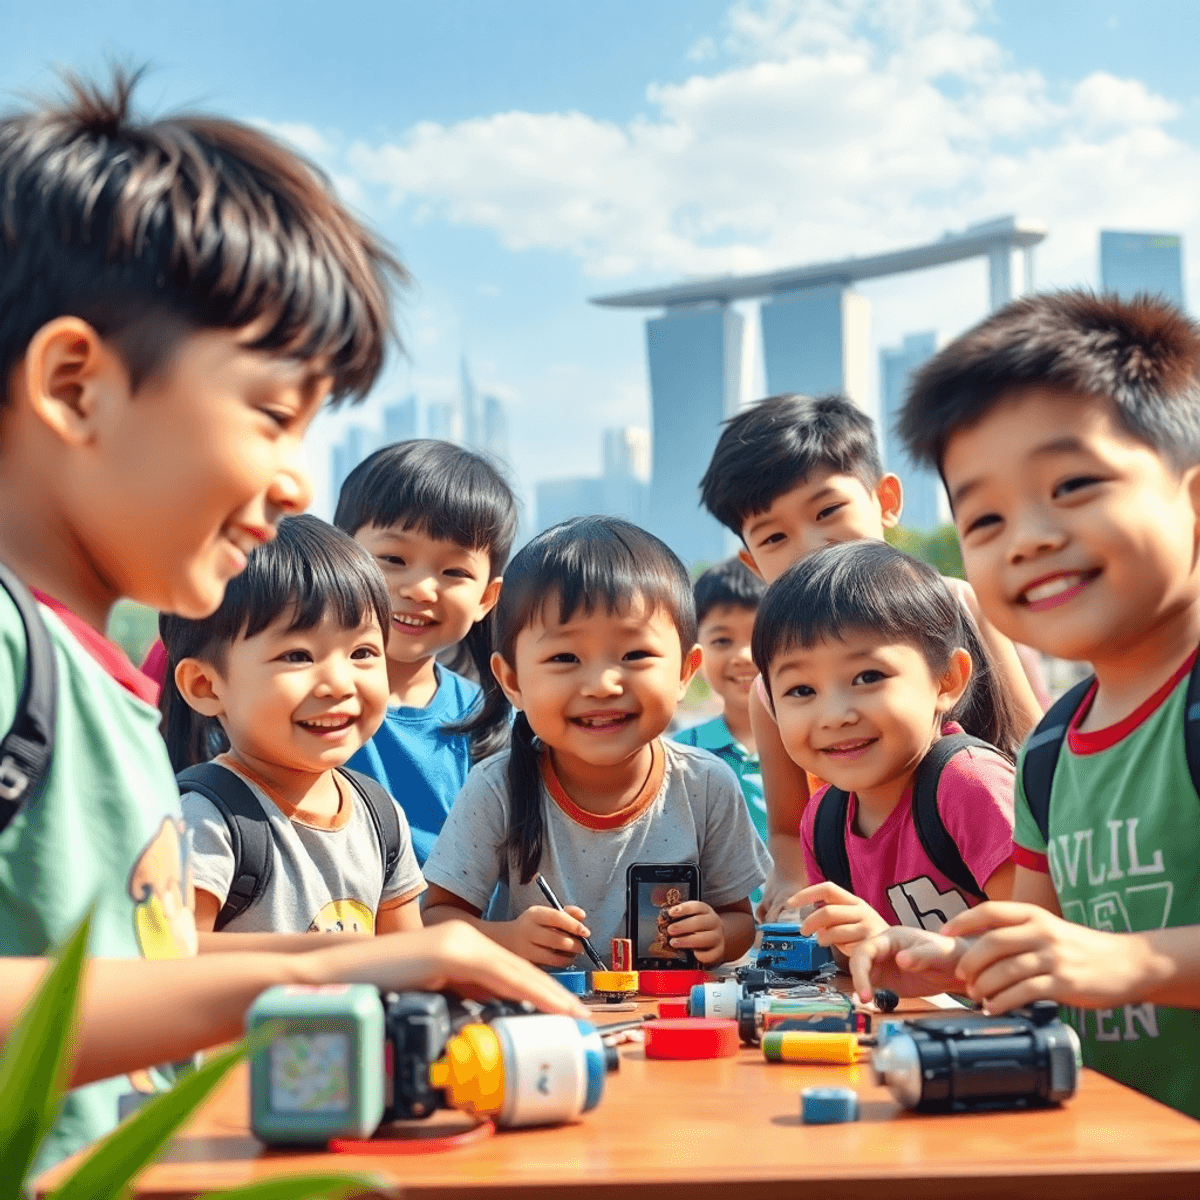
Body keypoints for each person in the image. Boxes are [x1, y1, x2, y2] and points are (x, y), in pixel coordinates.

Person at [0, 72, 581, 1174]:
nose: (293, 480)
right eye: (273, 416)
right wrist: (319, 972)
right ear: (76, 385)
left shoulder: (102, 691)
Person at [849, 290, 1200, 1120]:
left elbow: (1100, 962)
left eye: (1073, 483)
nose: (1028, 537)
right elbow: (1043, 947)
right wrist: (952, 963)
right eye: (986, 517)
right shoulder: (1047, 753)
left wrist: (1131, 964)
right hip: (1122, 1158)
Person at [698, 392, 1044, 920]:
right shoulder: (771, 683)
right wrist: (790, 881)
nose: (811, 543)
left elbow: (1030, 743)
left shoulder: (956, 605)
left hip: (990, 851)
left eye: (828, 510)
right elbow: (789, 828)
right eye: (774, 536)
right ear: (751, 561)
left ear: (885, 500)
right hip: (882, 886)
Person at [421, 517, 770, 967]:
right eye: (565, 657)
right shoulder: (496, 788)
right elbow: (436, 918)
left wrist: (718, 933)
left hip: (668, 1020)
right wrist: (507, 938)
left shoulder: (706, 785)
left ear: (685, 671)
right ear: (512, 680)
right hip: (545, 1021)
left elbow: (740, 919)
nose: (603, 685)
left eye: (635, 655)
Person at [751, 540, 1020, 958]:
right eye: (801, 690)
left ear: (947, 679)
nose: (835, 715)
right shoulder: (823, 821)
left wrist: (908, 952)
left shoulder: (970, 784)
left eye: (868, 676)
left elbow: (1037, 941)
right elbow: (851, 959)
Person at [161, 514, 426, 936]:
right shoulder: (205, 821)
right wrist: (329, 962)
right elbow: (170, 964)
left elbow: (410, 960)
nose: (339, 683)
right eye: (298, 656)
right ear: (205, 686)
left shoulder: (381, 816)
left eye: (362, 653)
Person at [333, 439, 516, 864]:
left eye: (454, 571)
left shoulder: (488, 718)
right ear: (339, 557)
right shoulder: (302, 698)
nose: (419, 588)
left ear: (487, 599)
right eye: (393, 557)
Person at [673, 558, 768, 903]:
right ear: (694, 656)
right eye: (722, 641)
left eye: (759, 637)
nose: (743, 655)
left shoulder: (817, 745)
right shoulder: (682, 754)